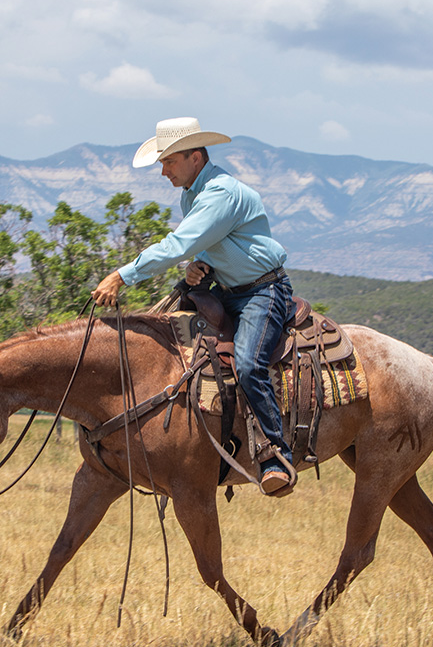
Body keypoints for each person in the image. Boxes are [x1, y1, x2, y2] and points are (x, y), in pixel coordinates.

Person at [91, 117, 297, 495]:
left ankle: (274, 453)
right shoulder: (193, 194)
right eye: (162, 163)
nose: (163, 171)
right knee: (173, 350)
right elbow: (205, 244)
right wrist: (197, 265)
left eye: (169, 161)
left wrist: (123, 275)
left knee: (250, 364)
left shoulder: (219, 194)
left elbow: (179, 243)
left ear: (196, 158)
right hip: (226, 290)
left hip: (261, 294)